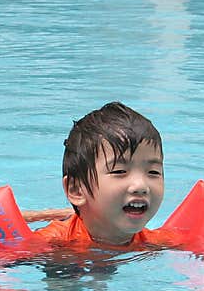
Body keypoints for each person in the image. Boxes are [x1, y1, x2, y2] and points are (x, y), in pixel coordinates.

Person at [34, 101, 171, 249]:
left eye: (153, 172)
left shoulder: (158, 243)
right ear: (76, 190)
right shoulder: (52, 242)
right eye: (119, 171)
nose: (141, 186)